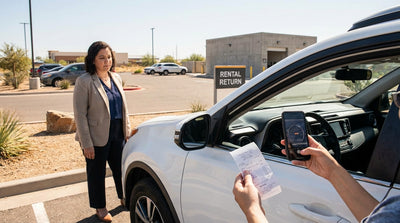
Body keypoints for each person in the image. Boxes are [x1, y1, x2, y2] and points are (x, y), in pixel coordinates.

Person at [233, 91, 400, 223]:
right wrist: (332, 171)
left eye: (399, 98)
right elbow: (381, 216)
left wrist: (252, 209)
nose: (397, 110)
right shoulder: (393, 210)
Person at [73, 41, 131, 222]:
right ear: (92, 60)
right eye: (102, 58)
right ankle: (100, 207)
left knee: (120, 169)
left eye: (109, 57)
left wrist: (127, 131)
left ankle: (124, 198)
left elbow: (123, 108)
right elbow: (80, 115)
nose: (107, 61)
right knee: (96, 173)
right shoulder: (84, 82)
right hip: (95, 136)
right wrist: (86, 143)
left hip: (117, 133)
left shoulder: (116, 78)